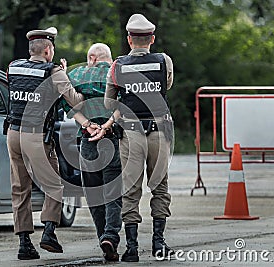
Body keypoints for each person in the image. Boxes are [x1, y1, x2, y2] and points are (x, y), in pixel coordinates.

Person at [91, 14, 175, 262]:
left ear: (129, 39)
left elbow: (108, 103)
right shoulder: (164, 61)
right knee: (160, 186)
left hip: (131, 133)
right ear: (152, 38)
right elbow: (166, 86)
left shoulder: (118, 66)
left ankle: (132, 248)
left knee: (130, 190)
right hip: (160, 131)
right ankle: (159, 243)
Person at [6, 26, 84, 260]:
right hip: (36, 136)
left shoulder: (13, 67)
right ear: (48, 50)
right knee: (54, 185)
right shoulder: (53, 71)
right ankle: (49, 232)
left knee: (20, 188)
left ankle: (24, 243)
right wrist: (64, 73)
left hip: (13, 133)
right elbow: (76, 100)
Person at [60, 43, 122, 261]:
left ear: (92, 58)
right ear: (104, 58)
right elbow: (124, 104)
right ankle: (111, 236)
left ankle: (103, 239)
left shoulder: (77, 74)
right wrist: (106, 125)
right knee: (113, 193)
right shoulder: (117, 71)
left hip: (87, 141)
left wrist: (86, 124)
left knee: (94, 196)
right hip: (113, 138)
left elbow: (65, 102)